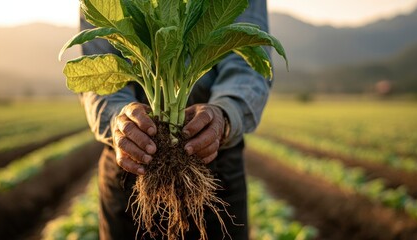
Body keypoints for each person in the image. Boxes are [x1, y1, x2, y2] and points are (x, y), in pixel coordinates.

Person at [79, 0, 272, 239]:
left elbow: (248, 59)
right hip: (129, 162)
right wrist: (117, 118)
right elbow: (97, 66)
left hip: (214, 160)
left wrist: (225, 112)